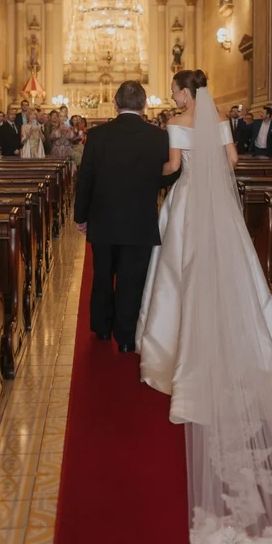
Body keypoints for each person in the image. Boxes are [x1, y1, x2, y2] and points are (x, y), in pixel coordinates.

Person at [136, 69, 272, 544]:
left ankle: (181, 348)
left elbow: (171, 168)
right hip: (219, 211)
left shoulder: (176, 122)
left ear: (186, 92)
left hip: (187, 205)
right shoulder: (222, 119)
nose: (176, 95)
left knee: (179, 278)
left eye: (177, 89)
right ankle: (250, 345)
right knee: (231, 270)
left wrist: (158, 171)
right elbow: (232, 161)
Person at [74, 80, 178, 352]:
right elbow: (169, 174)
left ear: (116, 104)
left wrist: (80, 216)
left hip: (104, 218)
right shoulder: (158, 136)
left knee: (103, 274)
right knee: (133, 280)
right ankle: (126, 338)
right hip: (140, 220)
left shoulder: (98, 135)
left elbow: (85, 178)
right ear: (144, 105)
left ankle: (101, 328)